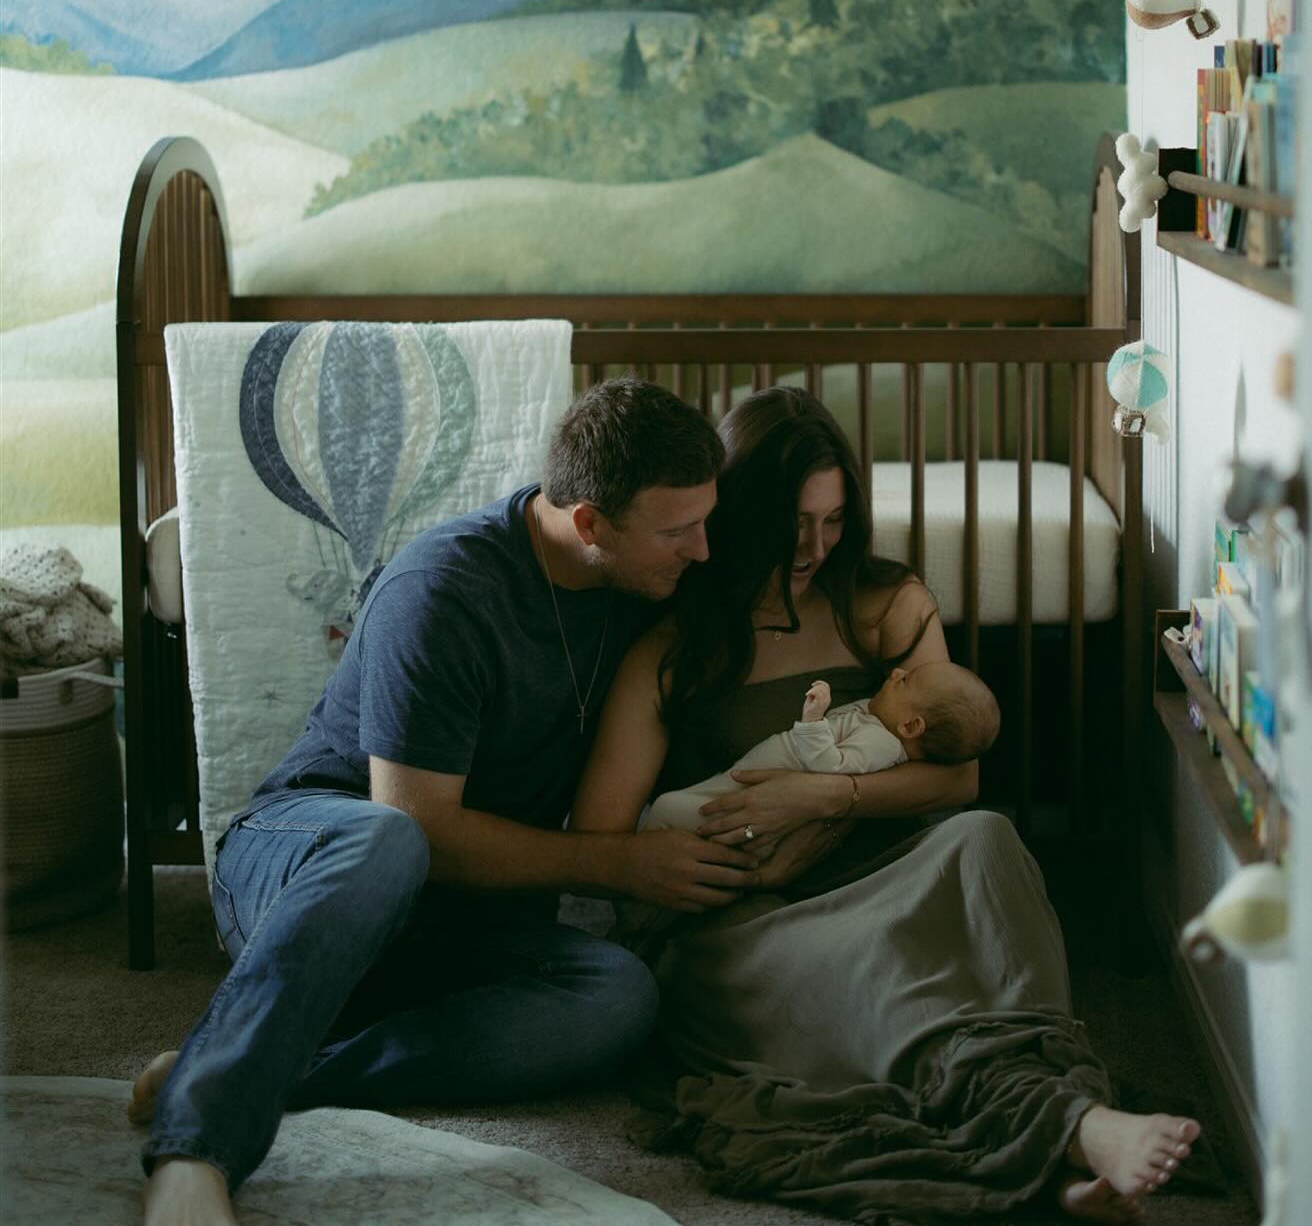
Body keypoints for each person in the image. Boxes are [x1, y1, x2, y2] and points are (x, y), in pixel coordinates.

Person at [130, 377, 764, 1226]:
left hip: (460, 922)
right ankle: (195, 1147)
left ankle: (262, 1064)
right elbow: (421, 824)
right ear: (590, 524)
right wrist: (621, 866)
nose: (701, 552)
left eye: (705, 522)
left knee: (617, 996)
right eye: (677, 531)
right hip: (314, 863)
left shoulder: (647, 586)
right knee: (388, 840)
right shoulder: (445, 588)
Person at [572, 387, 1201, 1224]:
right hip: (746, 915)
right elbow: (602, 841)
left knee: (985, 839)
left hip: (881, 862)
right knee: (904, 983)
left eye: (834, 521)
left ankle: (1060, 1127)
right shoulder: (674, 646)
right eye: (794, 523)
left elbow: (957, 779)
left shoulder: (884, 603)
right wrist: (732, 853)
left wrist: (819, 797)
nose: (815, 546)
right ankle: (1073, 1134)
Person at [644, 663, 1000, 855]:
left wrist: (814, 718)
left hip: (759, 791)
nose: (895, 672)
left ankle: (639, 906)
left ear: (910, 726)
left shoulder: (881, 744)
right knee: (685, 810)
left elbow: (830, 771)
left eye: (906, 681)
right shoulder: (879, 721)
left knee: (668, 810)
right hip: (751, 779)